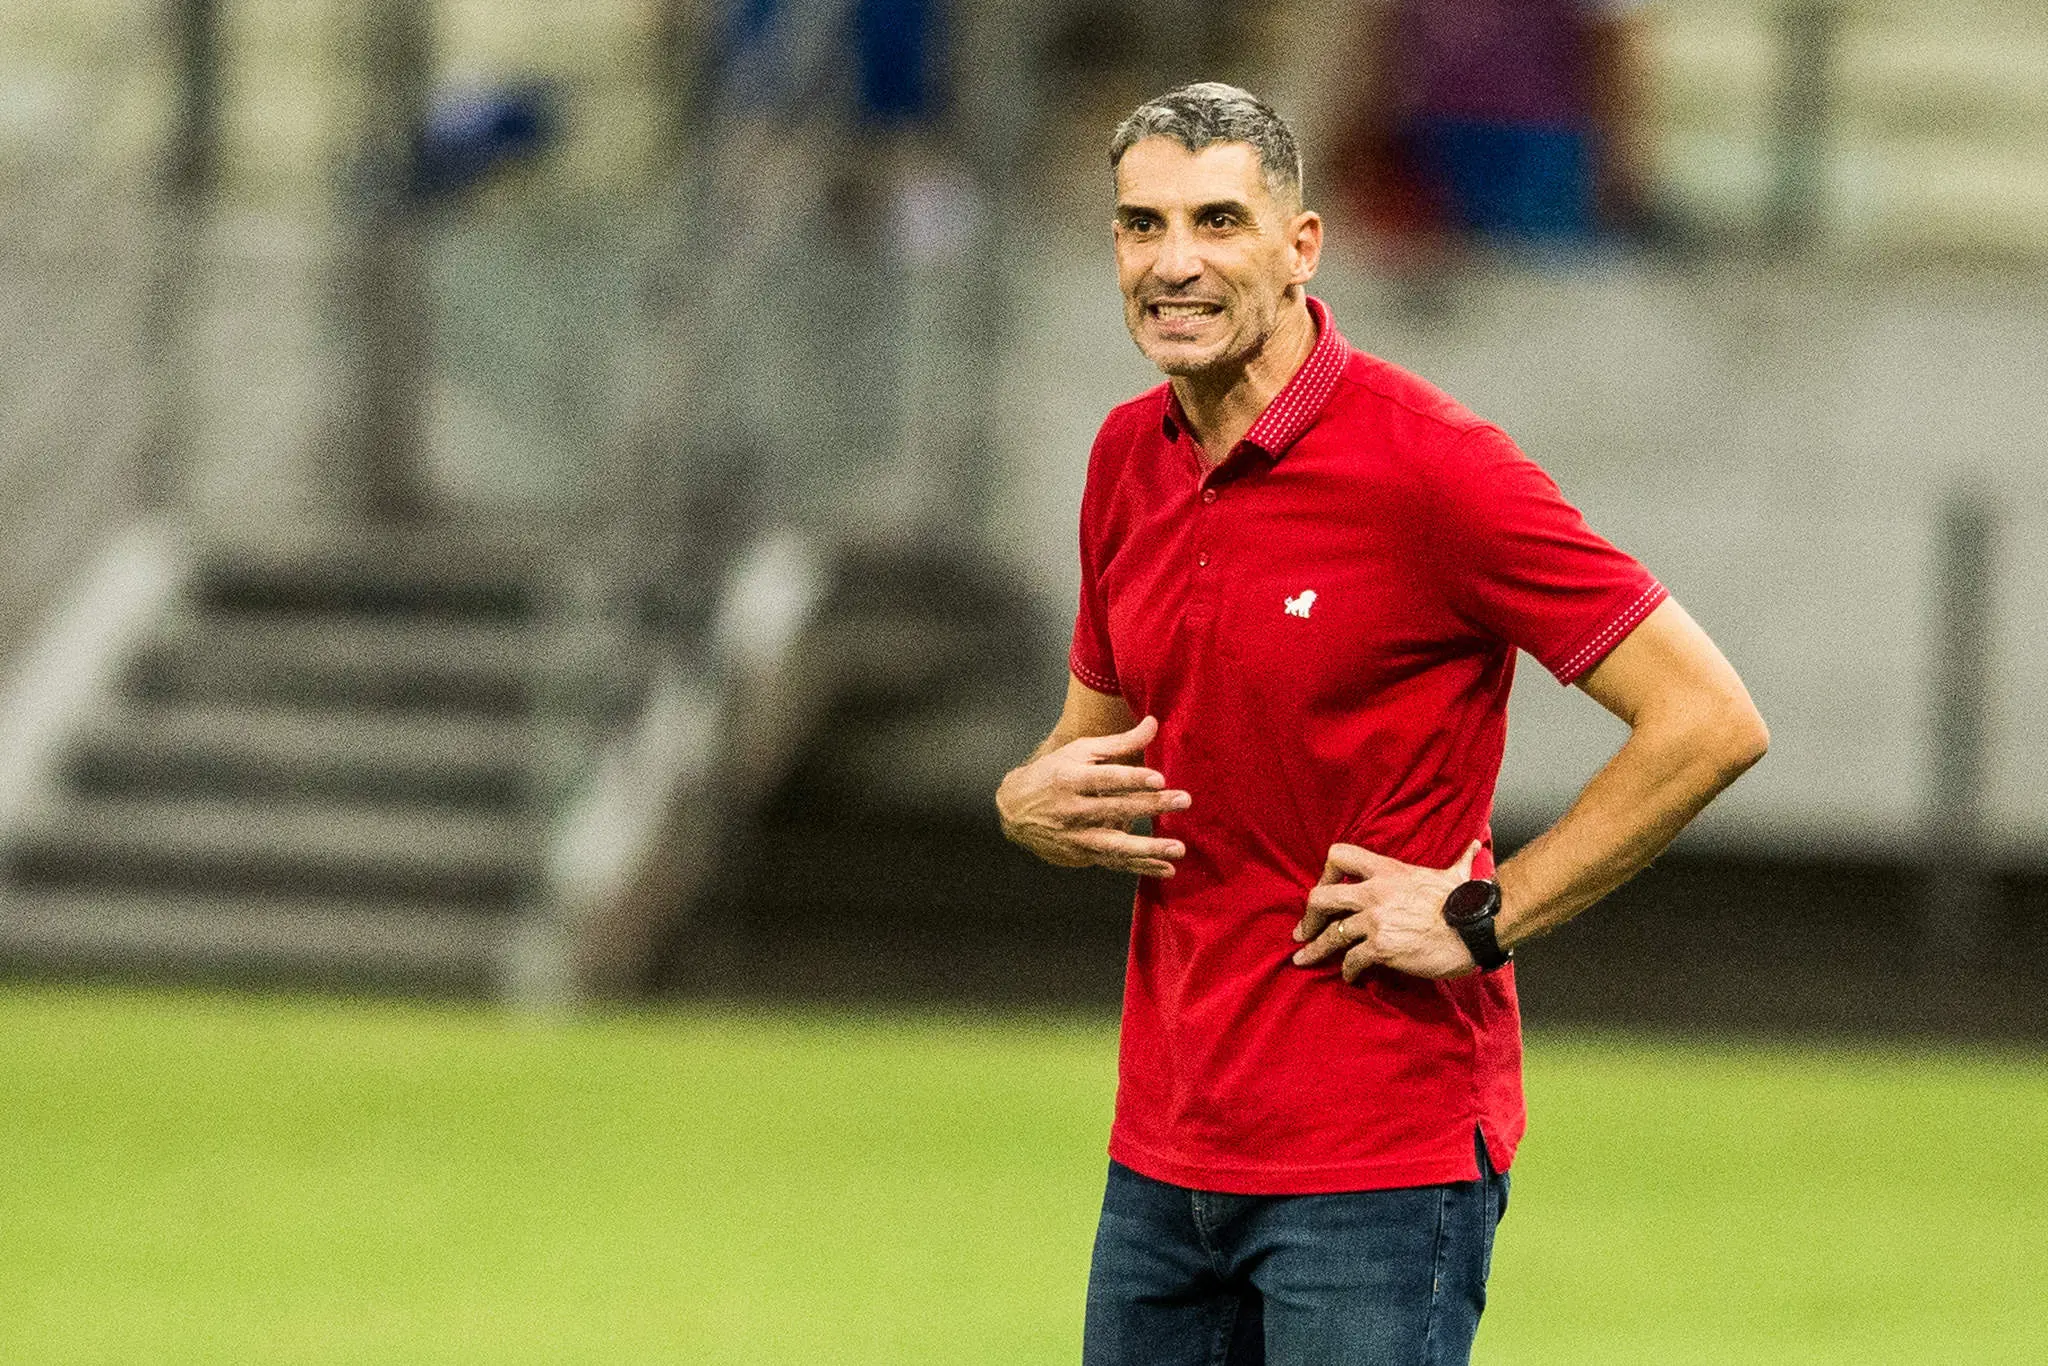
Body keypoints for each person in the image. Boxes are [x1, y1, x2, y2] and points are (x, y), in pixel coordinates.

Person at [994, 82, 1765, 1365]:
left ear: (1300, 247)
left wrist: (1483, 914)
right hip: (1162, 1153)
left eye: (1216, 221)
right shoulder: (1124, 457)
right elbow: (1084, 750)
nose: (1171, 263)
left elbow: (1705, 717)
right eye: (1140, 226)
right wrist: (1025, 798)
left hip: (1376, 1162)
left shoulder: (1431, 467)